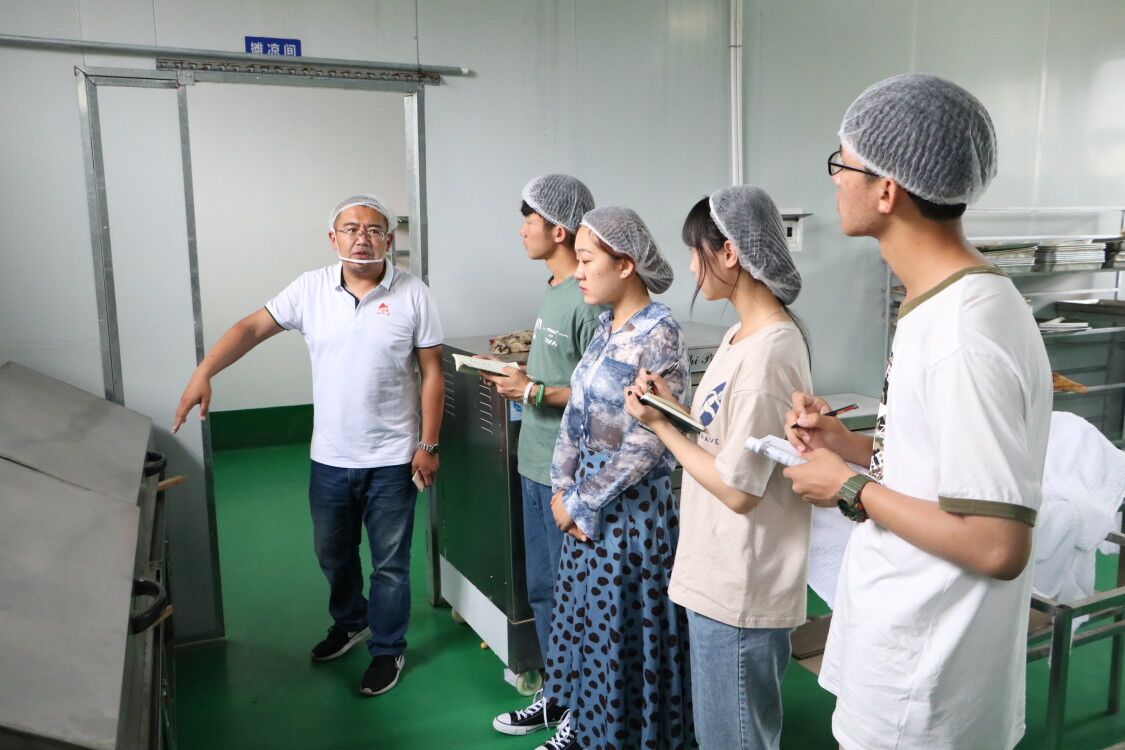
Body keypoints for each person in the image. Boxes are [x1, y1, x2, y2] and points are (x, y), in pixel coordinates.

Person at [782, 74, 1052, 749]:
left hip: (925, 687)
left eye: (843, 164)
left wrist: (847, 487)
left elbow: (996, 545)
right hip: (905, 648)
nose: (834, 179)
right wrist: (848, 447)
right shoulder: (942, 303)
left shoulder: (964, 331)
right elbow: (942, 468)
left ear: (887, 190)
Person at [171, 194, 444, 697]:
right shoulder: (310, 289)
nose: (362, 238)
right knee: (333, 553)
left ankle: (388, 648)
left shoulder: (413, 293)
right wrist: (205, 370)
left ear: (388, 239)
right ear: (333, 238)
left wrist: (428, 443)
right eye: (351, 229)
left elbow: (432, 372)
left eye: (373, 230)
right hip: (330, 457)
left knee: (390, 565)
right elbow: (251, 328)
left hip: (392, 457)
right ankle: (351, 621)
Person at [624, 185, 811, 750]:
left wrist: (659, 429)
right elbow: (723, 440)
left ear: (729, 252)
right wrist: (672, 411)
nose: (690, 266)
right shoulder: (738, 336)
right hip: (717, 570)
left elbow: (738, 489)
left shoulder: (770, 351)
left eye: (695, 251)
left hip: (741, 586)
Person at [542, 206, 694, 750]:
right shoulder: (606, 326)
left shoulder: (658, 334)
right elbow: (575, 414)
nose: (578, 272)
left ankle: (623, 737)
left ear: (625, 265)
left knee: (622, 637)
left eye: (587, 261)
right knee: (588, 631)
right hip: (586, 507)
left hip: (630, 517)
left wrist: (580, 501)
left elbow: (649, 443)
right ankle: (584, 728)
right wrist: (562, 488)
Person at [484, 175, 604, 738]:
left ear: (558, 229)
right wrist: (523, 377)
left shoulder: (586, 296)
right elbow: (563, 373)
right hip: (533, 463)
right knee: (544, 592)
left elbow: (601, 393)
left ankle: (585, 711)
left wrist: (531, 391)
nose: (521, 230)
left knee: (576, 600)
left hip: (568, 475)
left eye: (528, 220)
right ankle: (559, 696)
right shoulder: (555, 289)